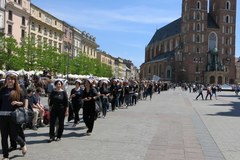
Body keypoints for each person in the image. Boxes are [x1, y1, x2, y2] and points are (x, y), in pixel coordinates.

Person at [0, 71, 27, 160]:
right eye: (8, 79)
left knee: (14, 135)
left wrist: (17, 103)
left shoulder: (18, 90)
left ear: (15, 80)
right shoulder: (2, 90)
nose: (10, 80)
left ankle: (22, 144)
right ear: (6, 80)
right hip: (2, 116)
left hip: (13, 116)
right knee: (4, 137)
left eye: (12, 79)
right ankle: (5, 156)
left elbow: (23, 102)